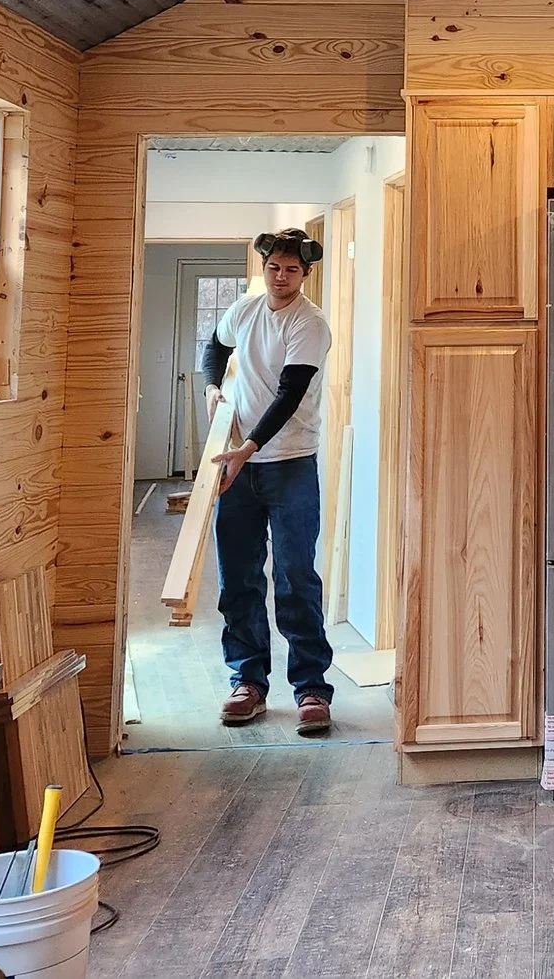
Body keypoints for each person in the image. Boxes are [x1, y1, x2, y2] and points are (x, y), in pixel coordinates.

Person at [198, 227, 336, 732]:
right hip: (235, 463)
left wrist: (248, 449)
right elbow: (213, 347)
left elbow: (290, 393)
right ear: (264, 268)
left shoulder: (309, 323)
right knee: (238, 578)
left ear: (305, 274)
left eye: (292, 270)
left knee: (296, 576)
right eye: (274, 268)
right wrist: (213, 387)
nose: (281, 277)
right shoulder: (247, 309)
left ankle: (312, 690)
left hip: (291, 463)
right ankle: (248, 682)